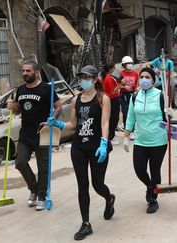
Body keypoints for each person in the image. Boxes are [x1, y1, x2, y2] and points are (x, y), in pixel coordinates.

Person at [47, 65, 115, 241]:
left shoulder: (103, 98)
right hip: (79, 147)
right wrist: (58, 124)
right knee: (82, 184)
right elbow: (73, 124)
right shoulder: (77, 99)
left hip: (97, 147)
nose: (83, 80)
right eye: (81, 77)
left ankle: (109, 199)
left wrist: (104, 143)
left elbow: (105, 123)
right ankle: (86, 224)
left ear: (94, 79)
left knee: (98, 184)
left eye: (87, 77)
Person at [7, 60, 62, 211]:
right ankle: (34, 189)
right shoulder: (21, 90)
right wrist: (13, 107)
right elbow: (19, 110)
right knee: (20, 162)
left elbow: (58, 106)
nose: (25, 73)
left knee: (43, 167)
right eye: (23, 71)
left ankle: (42, 196)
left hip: (43, 133)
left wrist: (52, 119)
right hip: (26, 133)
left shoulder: (46, 89)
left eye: (28, 71)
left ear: (36, 72)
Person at [122, 67, 167, 214]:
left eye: (148, 77)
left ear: (153, 80)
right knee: (139, 169)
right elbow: (130, 118)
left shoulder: (161, 95)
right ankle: (150, 186)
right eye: (142, 77)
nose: (144, 80)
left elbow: (166, 119)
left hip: (158, 140)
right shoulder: (135, 96)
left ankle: (153, 199)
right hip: (140, 140)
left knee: (155, 171)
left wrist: (170, 116)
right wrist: (126, 137)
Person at [100, 62, 122, 145]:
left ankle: (109, 136)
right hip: (112, 100)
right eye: (114, 68)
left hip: (108, 99)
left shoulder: (105, 77)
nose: (115, 70)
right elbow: (113, 91)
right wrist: (120, 85)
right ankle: (110, 137)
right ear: (110, 69)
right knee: (114, 119)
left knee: (110, 119)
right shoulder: (109, 78)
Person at [119, 56, 139, 138]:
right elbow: (117, 85)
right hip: (124, 95)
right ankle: (128, 131)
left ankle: (134, 130)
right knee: (126, 112)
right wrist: (124, 87)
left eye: (131, 63)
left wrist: (137, 88)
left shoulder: (135, 74)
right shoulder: (121, 74)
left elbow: (137, 83)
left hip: (133, 94)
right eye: (128, 63)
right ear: (124, 65)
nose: (130, 65)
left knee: (134, 112)